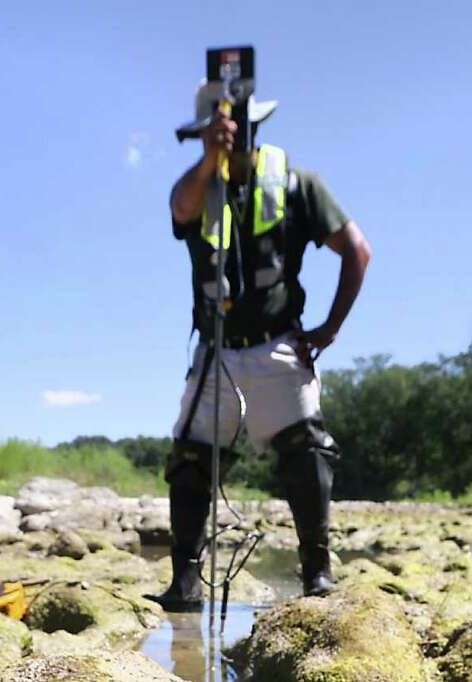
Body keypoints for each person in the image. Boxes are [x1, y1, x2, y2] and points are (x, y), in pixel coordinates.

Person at [150, 80, 371, 611]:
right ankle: (185, 584)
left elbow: (356, 250)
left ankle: (317, 574)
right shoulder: (199, 185)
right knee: (190, 460)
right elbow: (180, 208)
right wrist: (211, 159)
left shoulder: (298, 184)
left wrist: (329, 328)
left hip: (278, 347)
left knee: (306, 451)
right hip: (215, 352)